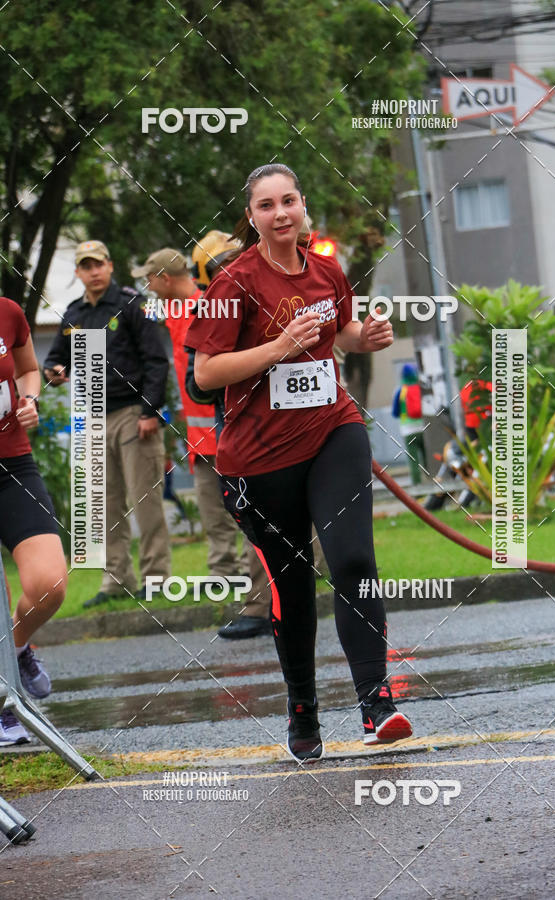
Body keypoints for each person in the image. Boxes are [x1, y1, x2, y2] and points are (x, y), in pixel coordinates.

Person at [185, 163, 413, 761]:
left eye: (288, 201)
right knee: (291, 585)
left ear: (302, 205)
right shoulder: (232, 283)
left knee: (354, 559)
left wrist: (367, 336)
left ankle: (376, 704)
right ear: (252, 216)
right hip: (260, 457)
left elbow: (341, 334)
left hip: (332, 430)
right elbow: (204, 375)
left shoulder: (327, 271)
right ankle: (303, 709)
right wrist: (278, 348)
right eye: (267, 205)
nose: (280, 213)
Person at [132, 244, 272, 638]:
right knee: (218, 517)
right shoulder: (175, 311)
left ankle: (262, 605)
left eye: (150, 279)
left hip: (227, 432)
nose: (148, 287)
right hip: (203, 437)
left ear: (164, 278)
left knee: (250, 518)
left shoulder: (206, 307)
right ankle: (232, 587)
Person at [43, 240, 171, 607]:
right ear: (78, 272)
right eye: (86, 266)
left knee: (145, 501)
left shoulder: (133, 304)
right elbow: (56, 359)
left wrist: (149, 412)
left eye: (98, 264)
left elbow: (156, 361)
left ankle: (157, 578)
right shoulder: (74, 313)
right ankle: (115, 580)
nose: (94, 271)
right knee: (104, 504)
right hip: (92, 417)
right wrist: (53, 371)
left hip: (133, 414)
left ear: (110, 266)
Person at [0, 297, 68, 744]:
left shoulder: (7, 312)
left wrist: (29, 398)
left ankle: (17, 647)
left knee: (49, 584)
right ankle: (3, 704)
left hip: (12, 466)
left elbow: (27, 371)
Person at [391, 363, 426, 486]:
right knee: (427, 459)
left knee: (413, 461)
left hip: (408, 431)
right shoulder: (421, 388)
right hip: (424, 429)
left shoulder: (400, 391)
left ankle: (418, 487)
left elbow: (395, 413)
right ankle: (434, 484)